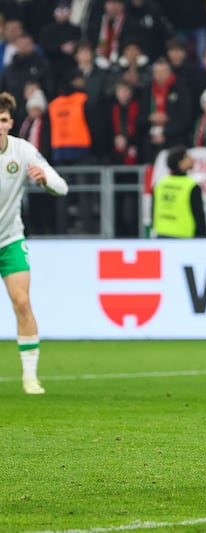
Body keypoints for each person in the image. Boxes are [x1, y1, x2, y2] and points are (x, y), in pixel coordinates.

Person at [0, 91, 69, 394]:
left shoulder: (23, 150)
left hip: (10, 239)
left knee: (22, 303)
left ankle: (30, 377)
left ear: (11, 122)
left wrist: (43, 180)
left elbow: (61, 187)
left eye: (3, 120)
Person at [151, 145, 206, 238]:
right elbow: (199, 217)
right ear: (180, 163)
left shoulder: (159, 184)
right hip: (184, 237)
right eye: (187, 157)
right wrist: (203, 240)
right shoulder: (191, 186)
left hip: (161, 235)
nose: (191, 160)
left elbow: (153, 212)